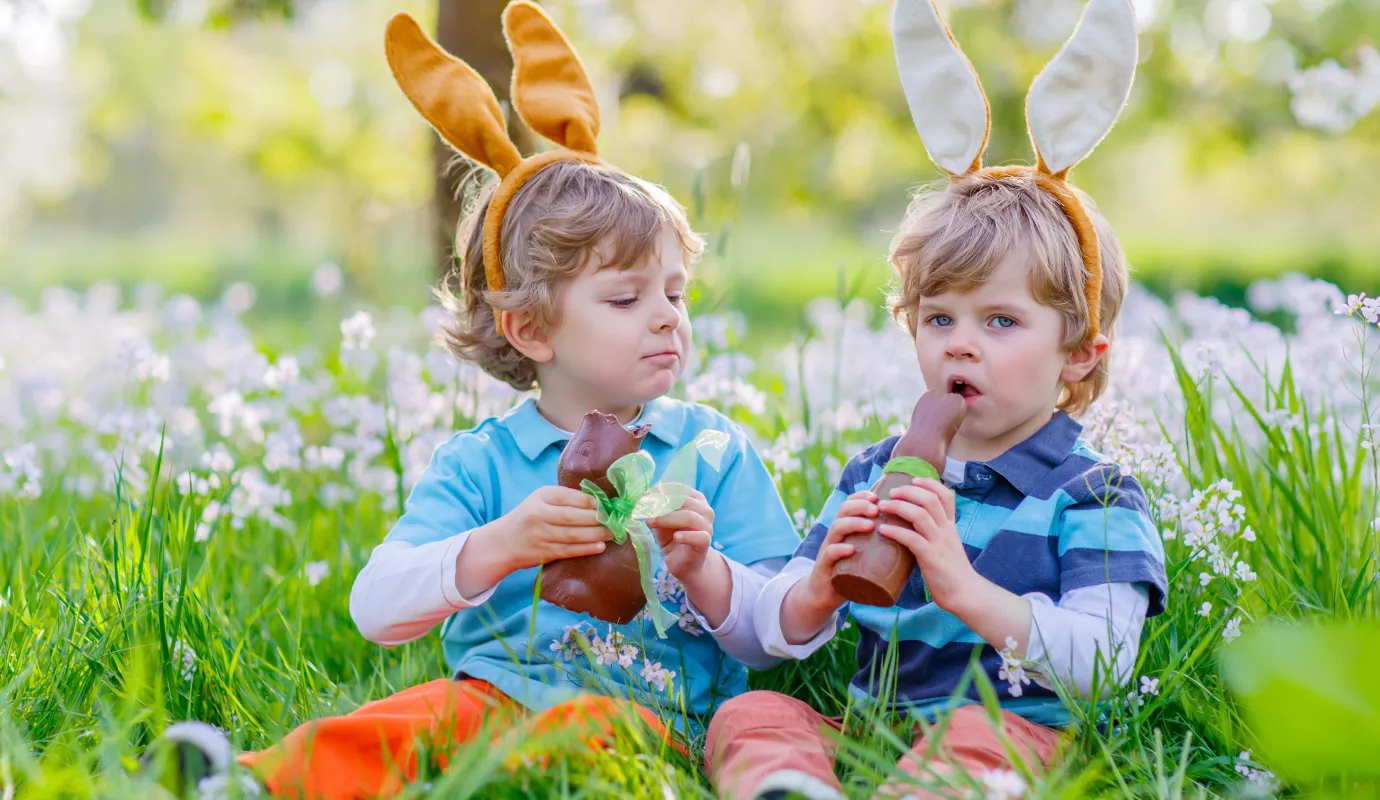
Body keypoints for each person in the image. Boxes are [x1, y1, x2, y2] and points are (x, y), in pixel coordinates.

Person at [144, 4, 799, 798]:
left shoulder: (713, 453)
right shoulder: (483, 462)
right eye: (626, 299)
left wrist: (707, 569)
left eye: (676, 293)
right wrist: (501, 544)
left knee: (575, 735)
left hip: (652, 720)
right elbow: (377, 608)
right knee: (410, 720)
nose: (667, 316)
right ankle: (246, 782)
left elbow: (780, 635)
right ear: (528, 328)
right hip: (487, 696)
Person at [700, 0, 1168, 797]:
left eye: (1001, 320)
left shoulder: (1093, 494)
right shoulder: (875, 473)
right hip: (874, 733)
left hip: (1014, 733)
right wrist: (813, 590)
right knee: (750, 716)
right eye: (940, 316)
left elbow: (1105, 663)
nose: (960, 341)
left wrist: (963, 588)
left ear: (1080, 355)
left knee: (973, 733)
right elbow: (769, 634)